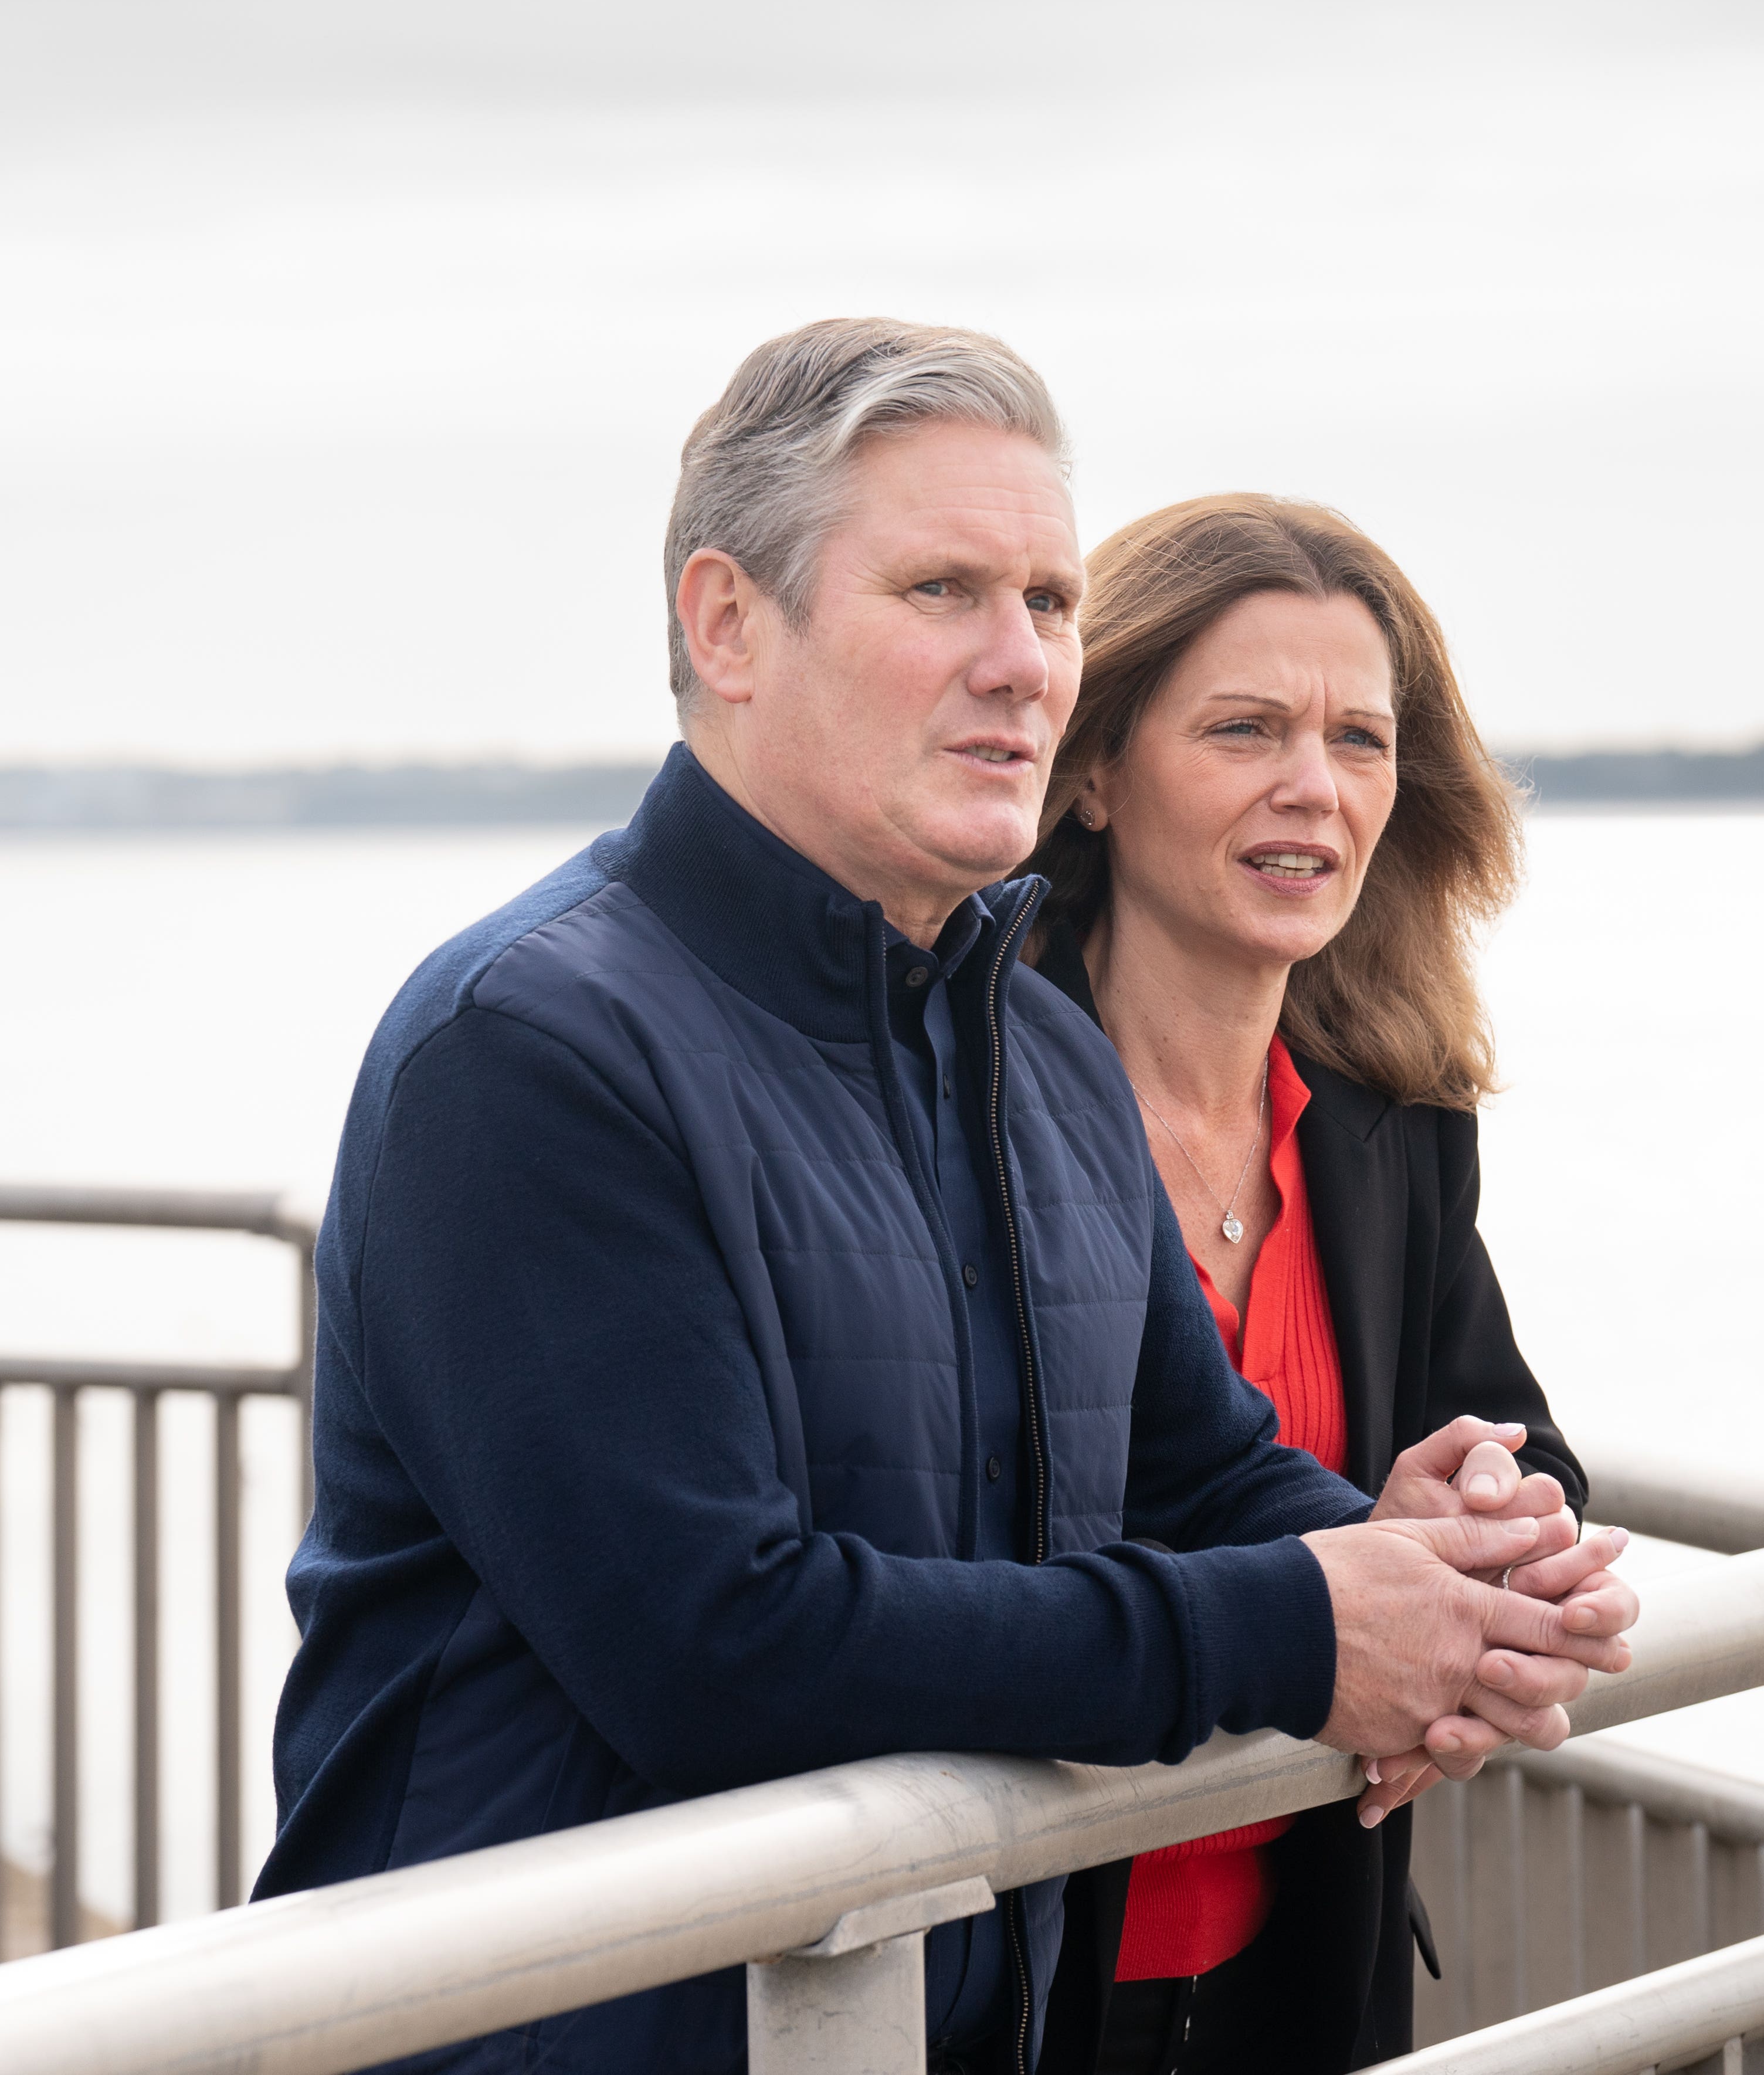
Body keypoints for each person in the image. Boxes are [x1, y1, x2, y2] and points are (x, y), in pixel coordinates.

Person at [256, 323, 1637, 2073]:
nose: (1018, 664)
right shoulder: (531, 1049)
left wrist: (1433, 1565)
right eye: (941, 592)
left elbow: (1190, 1464)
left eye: (1050, 604)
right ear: (726, 624)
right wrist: (1307, 1626)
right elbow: (715, 1646)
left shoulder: (1030, 1056)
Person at [1017, 493, 1595, 2073]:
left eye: (1358, 738)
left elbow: (1516, 1441)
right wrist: (1347, 1585)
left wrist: (1484, 1527)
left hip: (1300, 1954)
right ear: (1089, 771)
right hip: (1013, 1967)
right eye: (1244, 729)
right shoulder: (961, 1106)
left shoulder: (1388, 1121)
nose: (1311, 789)